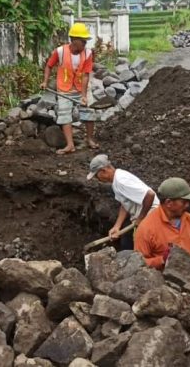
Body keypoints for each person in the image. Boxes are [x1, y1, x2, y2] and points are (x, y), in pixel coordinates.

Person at [40, 23, 99, 154]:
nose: (84, 44)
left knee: (89, 111)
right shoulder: (60, 51)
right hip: (64, 89)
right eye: (82, 41)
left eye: (85, 41)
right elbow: (49, 66)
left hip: (81, 88)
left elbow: (85, 76)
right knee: (65, 115)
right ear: (73, 40)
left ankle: (89, 139)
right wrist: (45, 81)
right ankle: (70, 145)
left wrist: (83, 95)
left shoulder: (88, 53)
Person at [86, 154, 159, 250]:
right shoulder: (115, 181)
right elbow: (125, 203)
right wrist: (117, 226)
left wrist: (141, 218)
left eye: (96, 175)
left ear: (103, 171)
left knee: (142, 247)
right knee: (126, 241)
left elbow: (150, 195)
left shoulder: (121, 181)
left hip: (151, 214)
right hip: (139, 214)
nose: (97, 178)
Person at [134, 177, 190, 270]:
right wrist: (162, 260)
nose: (187, 205)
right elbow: (139, 263)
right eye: (183, 202)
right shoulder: (146, 229)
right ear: (169, 202)